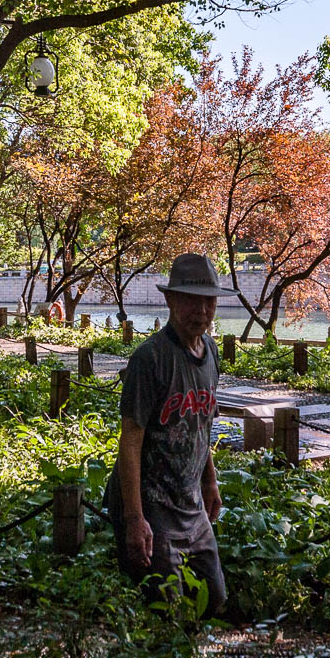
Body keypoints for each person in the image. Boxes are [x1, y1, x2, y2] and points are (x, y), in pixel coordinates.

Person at [104, 252, 239, 614]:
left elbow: (201, 425)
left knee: (215, 603)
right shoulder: (149, 359)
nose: (202, 311)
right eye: (191, 300)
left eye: (208, 301)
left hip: (190, 502)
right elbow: (130, 442)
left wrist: (210, 481)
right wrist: (135, 519)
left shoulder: (210, 351)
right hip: (151, 505)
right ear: (170, 299)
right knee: (170, 612)